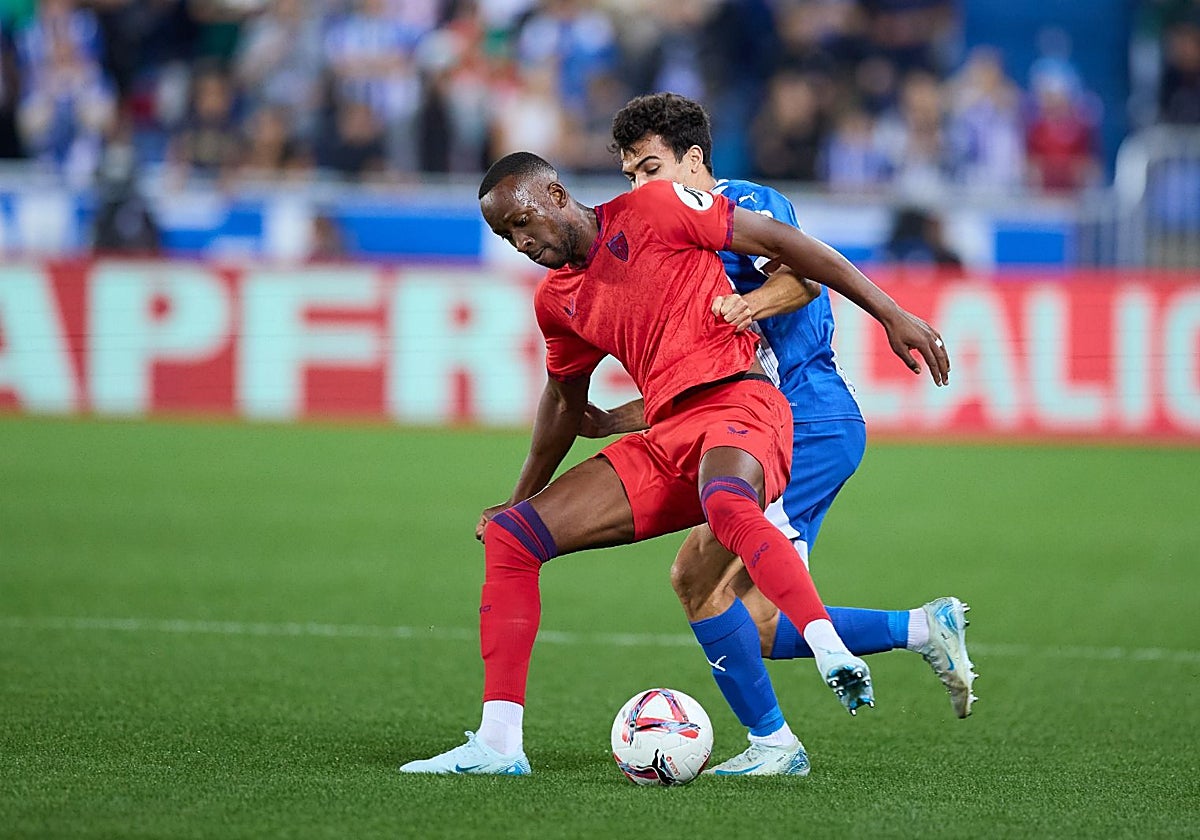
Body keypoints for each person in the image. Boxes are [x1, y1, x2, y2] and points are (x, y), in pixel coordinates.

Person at [399, 150, 949, 776]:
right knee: (512, 538)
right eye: (505, 235)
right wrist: (520, 498)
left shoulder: (656, 209)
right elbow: (562, 403)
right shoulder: (557, 301)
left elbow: (788, 245)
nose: (521, 241)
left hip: (745, 402)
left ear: (554, 194)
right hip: (668, 436)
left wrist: (891, 313)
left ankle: (827, 649)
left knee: (725, 504)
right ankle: (498, 744)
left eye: (522, 221)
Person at [595, 92, 976, 776]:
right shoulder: (671, 245)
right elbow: (696, 381)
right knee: (752, 616)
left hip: (804, 422)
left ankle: (776, 745)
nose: (639, 187)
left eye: (649, 168)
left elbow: (801, 276)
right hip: (762, 428)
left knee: (700, 580)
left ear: (694, 160)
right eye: (629, 176)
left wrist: (747, 304)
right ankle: (921, 628)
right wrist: (610, 419)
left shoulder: (748, 202)